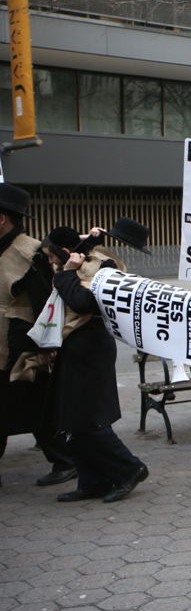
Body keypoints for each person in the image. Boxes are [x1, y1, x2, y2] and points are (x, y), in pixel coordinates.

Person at [44, 224, 148, 502]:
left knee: (89, 419)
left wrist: (65, 274)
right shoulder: (79, 259)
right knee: (72, 420)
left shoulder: (101, 267)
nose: (50, 261)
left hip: (90, 349)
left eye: (52, 256)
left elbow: (84, 302)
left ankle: (130, 468)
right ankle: (92, 481)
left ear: (63, 252)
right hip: (74, 348)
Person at [0, 185, 71, 489]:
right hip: (3, 342)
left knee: (36, 405)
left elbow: (46, 303)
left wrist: (45, 345)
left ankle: (65, 460)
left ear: (2, 219)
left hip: (22, 344)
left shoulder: (31, 252)